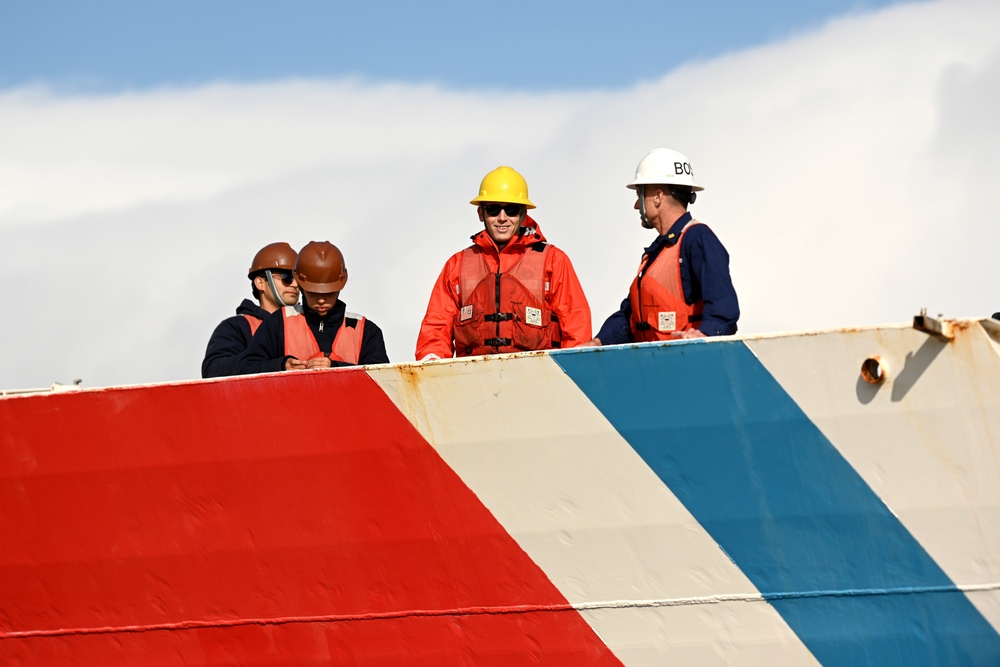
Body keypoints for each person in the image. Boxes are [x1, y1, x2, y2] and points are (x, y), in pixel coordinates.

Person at [416, 166, 591, 360]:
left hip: (538, 379)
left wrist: (573, 373)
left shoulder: (553, 260)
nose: (502, 218)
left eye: (511, 210)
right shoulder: (457, 265)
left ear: (523, 213)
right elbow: (436, 326)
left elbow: (576, 324)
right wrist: (431, 362)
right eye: (492, 209)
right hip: (473, 379)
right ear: (480, 214)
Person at [584, 148, 738, 346]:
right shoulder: (658, 252)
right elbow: (629, 315)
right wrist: (598, 342)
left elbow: (723, 310)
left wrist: (705, 337)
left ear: (657, 197)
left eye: (640, 194)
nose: (636, 206)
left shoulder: (698, 239)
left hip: (687, 366)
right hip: (654, 366)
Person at [240, 241, 389, 373]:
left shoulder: (366, 331)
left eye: (329, 292)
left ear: (340, 286)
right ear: (300, 284)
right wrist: (281, 366)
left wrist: (336, 368)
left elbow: (383, 383)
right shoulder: (278, 323)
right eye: (313, 293)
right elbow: (245, 369)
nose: (322, 300)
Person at [202, 242, 299, 378]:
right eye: (286, 277)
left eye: (298, 278)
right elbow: (213, 371)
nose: (295, 284)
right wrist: (277, 366)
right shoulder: (236, 328)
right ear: (260, 283)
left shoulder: (311, 323)